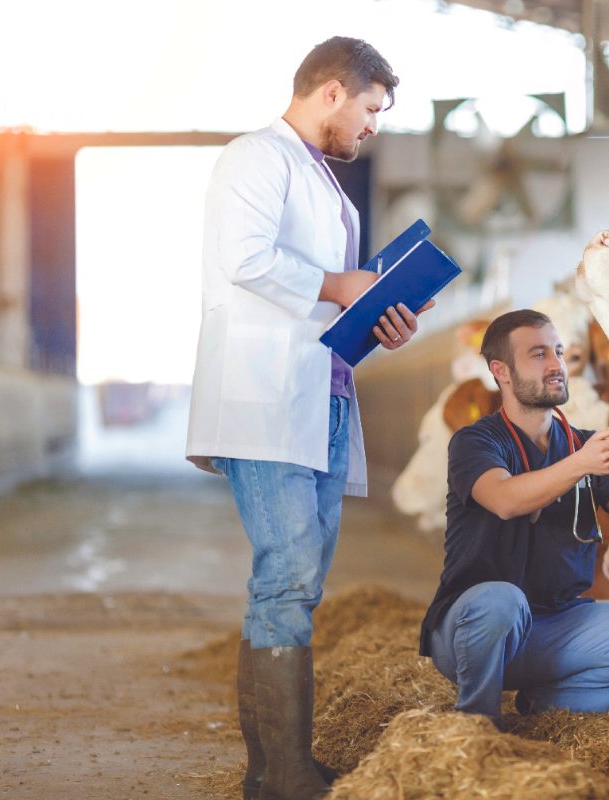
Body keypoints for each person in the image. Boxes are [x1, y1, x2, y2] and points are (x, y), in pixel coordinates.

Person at [186, 37, 427, 800]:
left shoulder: (321, 179)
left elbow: (327, 306)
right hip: (264, 400)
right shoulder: (256, 158)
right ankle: (282, 771)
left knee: (295, 584)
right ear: (332, 92)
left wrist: (377, 317)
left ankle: (273, 767)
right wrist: (344, 282)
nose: (373, 128)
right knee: (285, 579)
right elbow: (245, 259)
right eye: (371, 109)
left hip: (316, 397)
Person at [419, 309, 609, 728]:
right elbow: (505, 499)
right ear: (502, 372)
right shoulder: (476, 441)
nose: (555, 365)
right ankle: (476, 724)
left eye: (558, 351)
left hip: (555, 624)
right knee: (501, 600)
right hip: (472, 630)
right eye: (538, 354)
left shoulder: (584, 445)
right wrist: (581, 465)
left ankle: (543, 711)